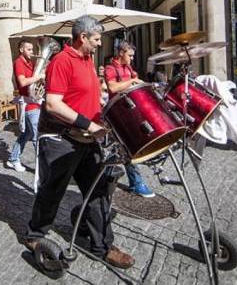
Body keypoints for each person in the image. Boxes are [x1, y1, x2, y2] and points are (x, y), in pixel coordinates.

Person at [25, 16, 135, 269]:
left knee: (99, 190)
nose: (99, 44)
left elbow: (87, 97)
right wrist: (89, 124)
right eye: (96, 39)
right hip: (62, 139)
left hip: (87, 139)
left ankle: (102, 246)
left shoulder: (88, 60)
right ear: (83, 37)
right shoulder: (62, 61)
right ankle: (35, 235)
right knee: (52, 191)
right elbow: (53, 104)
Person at [103, 42, 156, 198]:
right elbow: (112, 88)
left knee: (118, 149)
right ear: (120, 53)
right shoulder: (110, 69)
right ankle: (136, 183)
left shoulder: (128, 68)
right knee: (126, 149)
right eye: (130, 55)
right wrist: (132, 81)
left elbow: (134, 83)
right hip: (117, 114)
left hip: (130, 112)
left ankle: (105, 175)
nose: (132, 59)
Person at [6, 39, 44, 172]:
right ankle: (42, 168)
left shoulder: (29, 63)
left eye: (33, 50)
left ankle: (13, 159)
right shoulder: (19, 62)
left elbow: (34, 83)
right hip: (29, 105)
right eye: (29, 49)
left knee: (26, 134)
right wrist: (39, 76)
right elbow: (22, 82)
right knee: (36, 137)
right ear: (21, 50)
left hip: (34, 102)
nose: (32, 52)